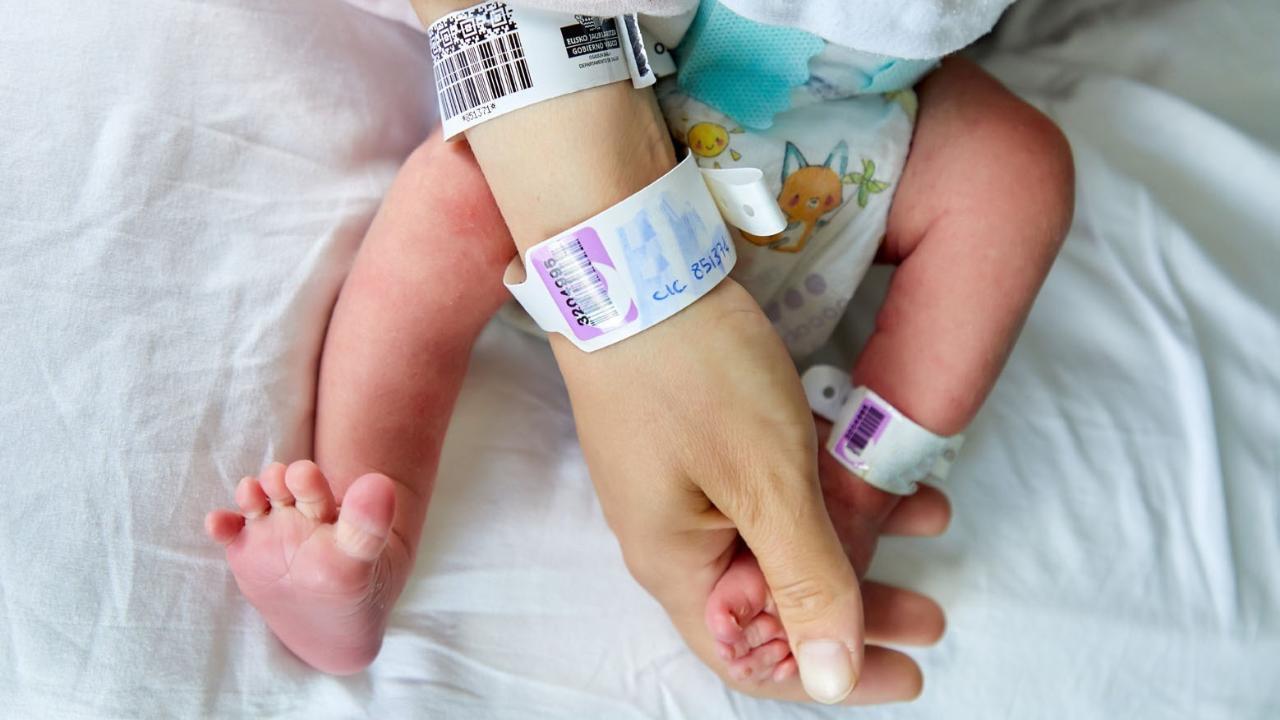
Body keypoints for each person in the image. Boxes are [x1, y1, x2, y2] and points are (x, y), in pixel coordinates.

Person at [205, 0, 1073, 705]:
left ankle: (848, 494)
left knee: (1018, 170)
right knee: (451, 202)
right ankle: (363, 544)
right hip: (573, 166)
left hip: (859, 133)